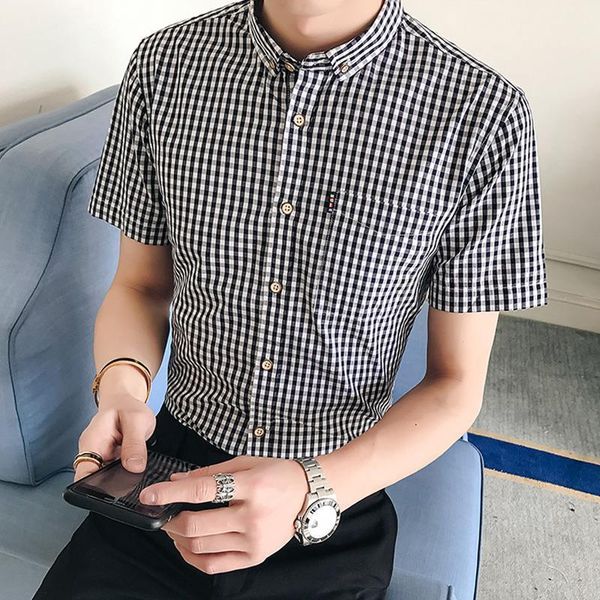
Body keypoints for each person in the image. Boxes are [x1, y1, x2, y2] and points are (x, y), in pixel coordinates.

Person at [33, 0, 548, 598]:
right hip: (167, 472)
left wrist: (312, 487)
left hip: (336, 492)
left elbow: (455, 385)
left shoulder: (485, 115)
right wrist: (122, 390)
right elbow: (141, 287)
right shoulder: (164, 64)